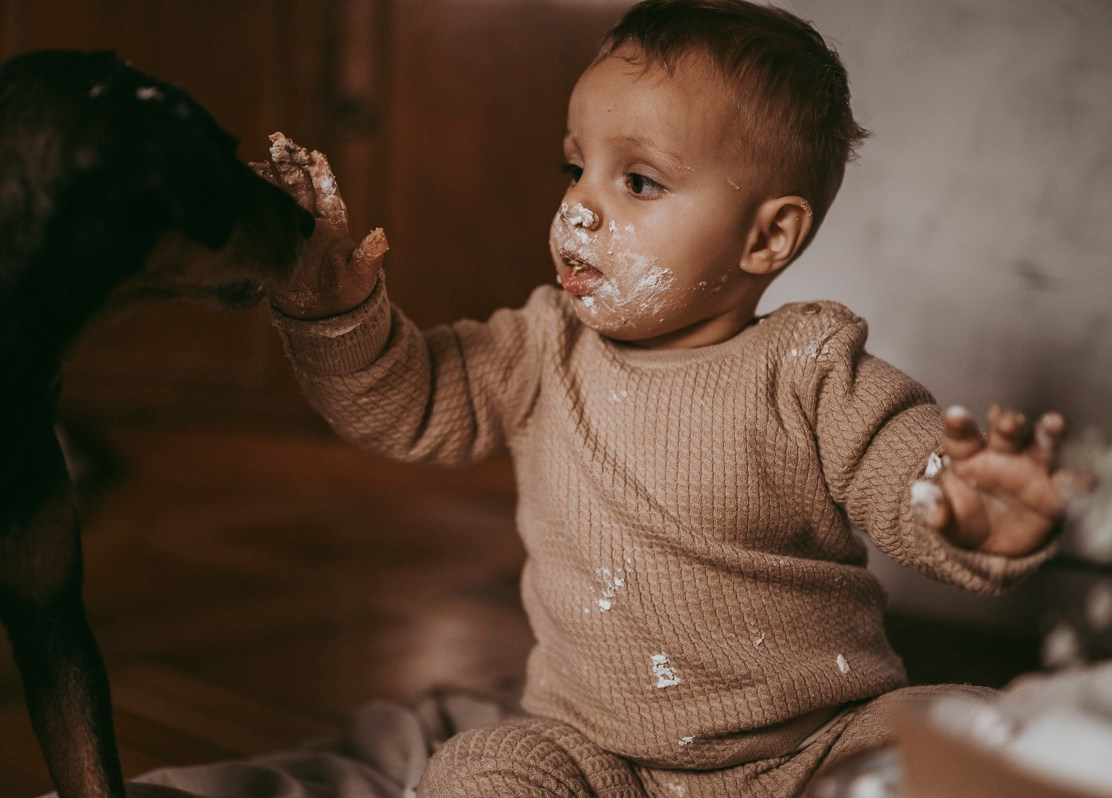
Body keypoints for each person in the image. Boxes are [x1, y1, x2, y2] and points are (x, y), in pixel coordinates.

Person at [256, 1, 1079, 795]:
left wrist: (965, 503)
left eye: (639, 181)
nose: (580, 203)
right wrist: (335, 312)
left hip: (819, 744)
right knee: (478, 771)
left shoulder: (808, 363)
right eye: (576, 167)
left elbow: (900, 457)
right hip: (601, 759)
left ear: (766, 237)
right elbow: (412, 400)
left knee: (978, 732)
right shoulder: (543, 345)